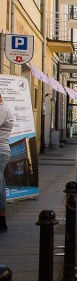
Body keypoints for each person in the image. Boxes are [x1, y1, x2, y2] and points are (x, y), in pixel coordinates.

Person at [0, 93, 14, 232]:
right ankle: (2, 221)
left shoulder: (2, 109)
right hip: (2, 152)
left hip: (0, 152)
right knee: (1, 188)